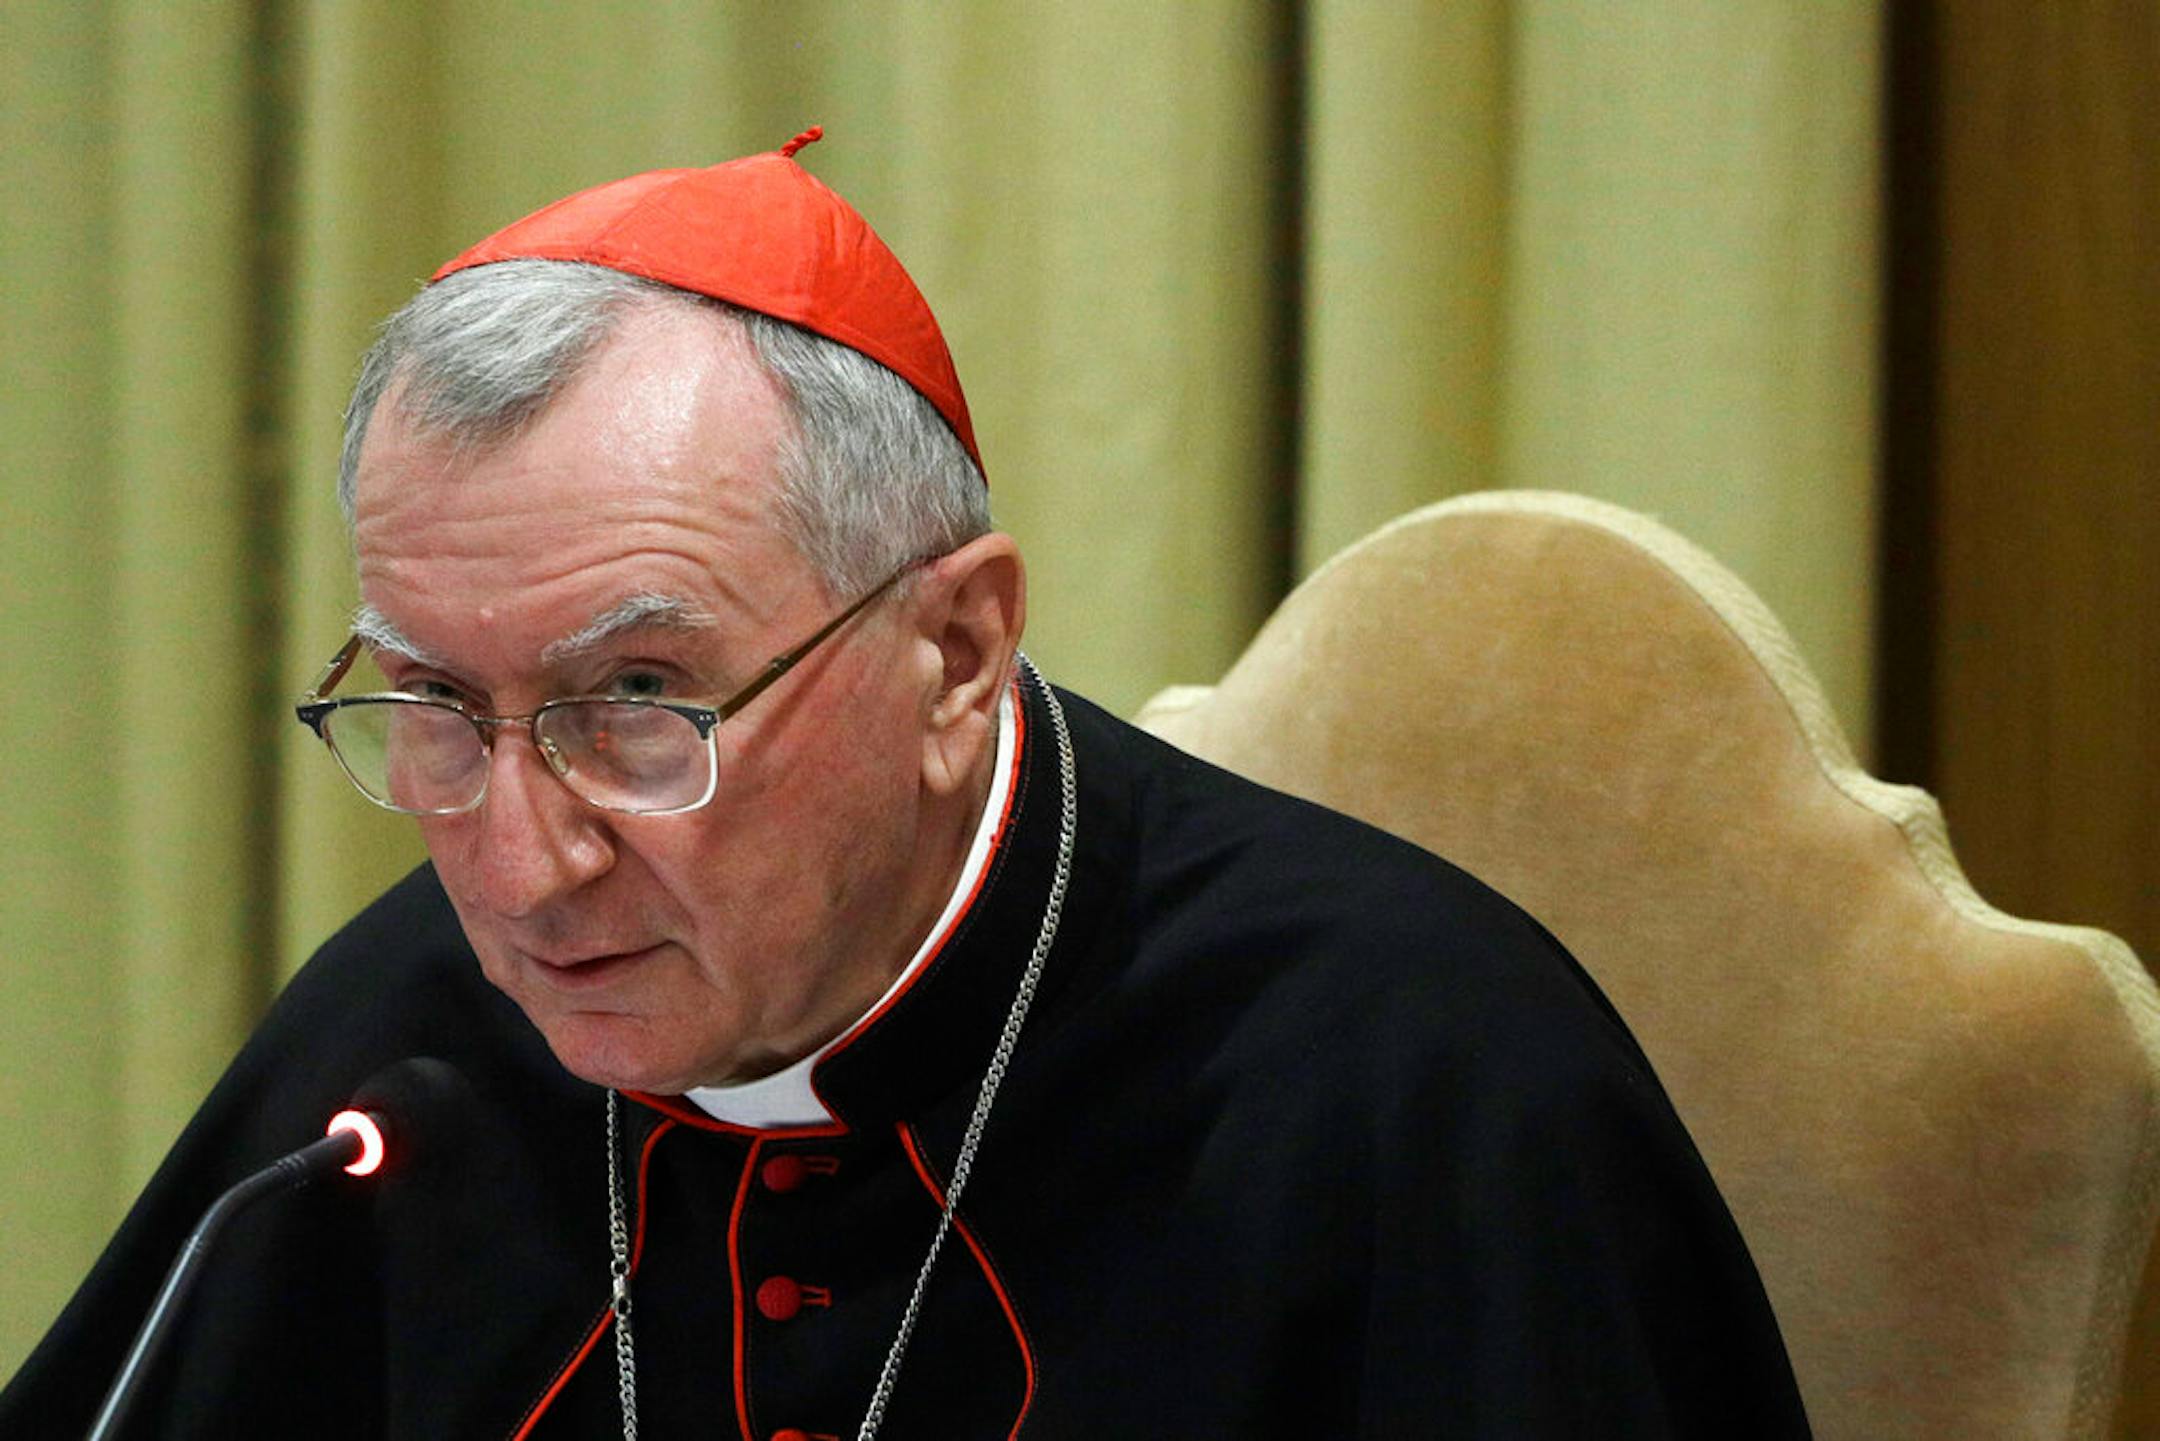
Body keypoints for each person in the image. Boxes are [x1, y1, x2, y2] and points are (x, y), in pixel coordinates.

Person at [0, 131, 1810, 1439]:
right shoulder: (407, 1055)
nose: (524, 866)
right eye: (434, 705)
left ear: (952, 652)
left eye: (636, 698)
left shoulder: (1418, 1081)